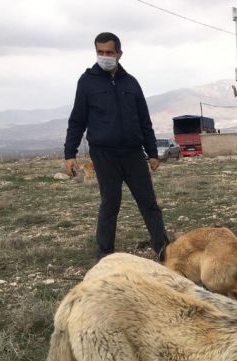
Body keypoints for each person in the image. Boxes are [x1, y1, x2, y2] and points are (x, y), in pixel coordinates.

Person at [64, 32, 169, 261]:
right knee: (110, 204)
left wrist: (152, 153)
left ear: (119, 53)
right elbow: (77, 120)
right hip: (104, 154)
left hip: (132, 153)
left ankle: (163, 250)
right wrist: (69, 153)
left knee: (148, 203)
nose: (104, 56)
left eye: (109, 52)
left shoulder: (131, 82)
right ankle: (105, 255)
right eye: (100, 52)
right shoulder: (87, 82)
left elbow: (144, 120)